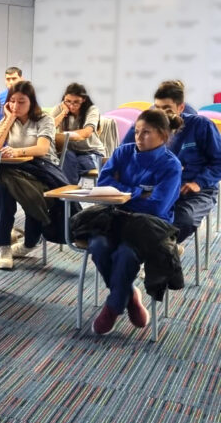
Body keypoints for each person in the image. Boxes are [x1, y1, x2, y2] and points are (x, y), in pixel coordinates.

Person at [86, 108, 182, 335]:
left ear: (163, 135)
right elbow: (103, 183)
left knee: (125, 255)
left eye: (146, 132)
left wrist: (122, 193)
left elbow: (157, 207)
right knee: (98, 246)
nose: (138, 137)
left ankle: (113, 307)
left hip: (149, 227)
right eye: (137, 131)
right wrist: (139, 192)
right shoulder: (123, 152)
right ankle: (129, 295)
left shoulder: (171, 165)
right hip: (115, 219)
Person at [121, 81, 221, 241]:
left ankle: (162, 246)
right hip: (154, 188)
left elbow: (218, 161)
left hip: (192, 191)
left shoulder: (200, 125)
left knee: (183, 220)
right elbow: (123, 158)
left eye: (167, 109)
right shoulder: (141, 127)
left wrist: (199, 182)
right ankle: (155, 247)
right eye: (157, 108)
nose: (161, 114)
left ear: (181, 107)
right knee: (122, 216)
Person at [0, 80, 65, 270]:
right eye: (12, 101)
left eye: (21, 101)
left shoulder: (44, 119)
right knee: (2, 189)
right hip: (15, 170)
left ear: (31, 102)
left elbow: (42, 149)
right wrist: (9, 119)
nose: (16, 106)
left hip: (42, 170)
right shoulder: (9, 119)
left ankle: (30, 242)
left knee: (29, 193)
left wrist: (16, 151)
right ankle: (4, 246)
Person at [51, 82, 105, 183]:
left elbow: (86, 132)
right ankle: (70, 190)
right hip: (70, 153)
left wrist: (65, 135)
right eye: (68, 101)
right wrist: (63, 113)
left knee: (67, 165)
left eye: (76, 102)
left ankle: (68, 191)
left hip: (91, 152)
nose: (71, 106)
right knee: (65, 157)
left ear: (83, 100)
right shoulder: (60, 108)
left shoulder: (91, 109)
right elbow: (47, 128)